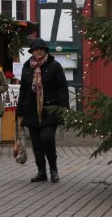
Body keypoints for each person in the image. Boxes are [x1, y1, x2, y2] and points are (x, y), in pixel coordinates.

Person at [15, 38, 69, 184]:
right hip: (31, 110)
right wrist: (19, 112)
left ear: (45, 51)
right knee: (37, 143)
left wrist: (64, 108)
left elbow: (62, 88)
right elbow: (23, 90)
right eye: (36, 49)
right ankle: (41, 172)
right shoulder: (27, 67)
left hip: (50, 109)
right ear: (32, 52)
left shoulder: (54, 66)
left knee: (47, 138)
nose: (39, 51)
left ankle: (53, 169)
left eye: (41, 49)